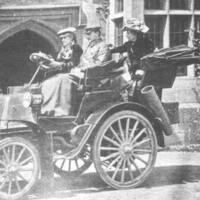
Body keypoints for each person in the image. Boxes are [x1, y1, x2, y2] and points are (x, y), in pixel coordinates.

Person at [41, 27, 83, 116]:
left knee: (60, 79)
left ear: (71, 38)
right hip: (65, 73)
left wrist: (58, 65)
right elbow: (58, 62)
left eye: (65, 38)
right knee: (47, 82)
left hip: (76, 73)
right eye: (62, 38)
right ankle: (49, 109)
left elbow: (74, 64)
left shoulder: (76, 48)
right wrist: (49, 63)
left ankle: (62, 110)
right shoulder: (62, 50)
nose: (62, 40)